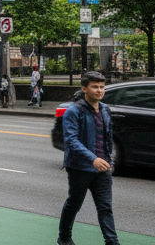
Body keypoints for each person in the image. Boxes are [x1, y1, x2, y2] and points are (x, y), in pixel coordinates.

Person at [58, 71, 119, 245]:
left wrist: (109, 161)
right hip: (79, 167)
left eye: (102, 87)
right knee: (74, 204)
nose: (99, 90)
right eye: (95, 87)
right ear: (84, 89)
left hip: (103, 167)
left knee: (105, 208)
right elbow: (71, 140)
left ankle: (112, 242)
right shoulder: (74, 111)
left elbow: (107, 137)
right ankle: (63, 239)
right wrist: (93, 159)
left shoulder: (105, 109)